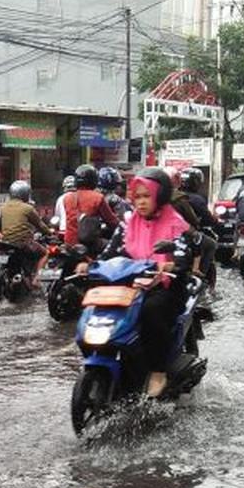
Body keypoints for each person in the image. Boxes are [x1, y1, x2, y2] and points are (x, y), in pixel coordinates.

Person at [99, 168, 199, 397]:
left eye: (147, 196)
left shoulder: (175, 222)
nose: (141, 202)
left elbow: (184, 255)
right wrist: (89, 265)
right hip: (133, 284)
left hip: (168, 286)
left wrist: (172, 264)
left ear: (160, 196)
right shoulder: (127, 224)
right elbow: (109, 253)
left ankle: (157, 371)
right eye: (137, 197)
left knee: (151, 310)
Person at [0, 180, 50, 286]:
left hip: (6, 243)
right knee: (45, 253)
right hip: (23, 243)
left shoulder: (3, 208)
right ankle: (37, 279)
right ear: (25, 194)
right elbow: (40, 225)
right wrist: (50, 233)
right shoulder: (28, 208)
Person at [179, 168, 220, 297]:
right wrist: (216, 221)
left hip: (174, 235)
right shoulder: (196, 199)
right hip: (189, 234)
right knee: (211, 245)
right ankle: (199, 273)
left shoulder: (174, 196)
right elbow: (206, 218)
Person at [61, 164, 120, 252]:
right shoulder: (97, 198)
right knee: (115, 248)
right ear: (94, 180)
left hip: (69, 243)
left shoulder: (67, 198)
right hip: (88, 244)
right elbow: (111, 221)